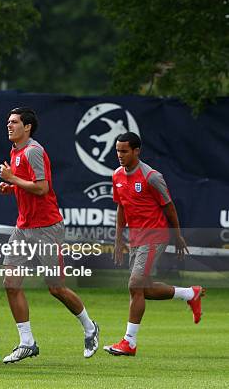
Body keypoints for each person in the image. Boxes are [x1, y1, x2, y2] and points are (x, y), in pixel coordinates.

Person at [0, 107, 100, 362]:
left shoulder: (33, 151)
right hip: (23, 228)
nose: (9, 126)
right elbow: (29, 186)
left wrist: (12, 178)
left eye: (14, 122)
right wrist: (12, 187)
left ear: (28, 127)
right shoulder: (16, 150)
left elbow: (42, 189)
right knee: (10, 283)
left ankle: (90, 327)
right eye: (8, 122)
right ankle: (27, 342)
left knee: (56, 288)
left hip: (46, 229)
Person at [103, 132, 203, 356]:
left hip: (154, 236)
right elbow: (121, 207)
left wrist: (177, 236)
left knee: (134, 285)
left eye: (124, 151)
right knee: (142, 289)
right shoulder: (117, 175)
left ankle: (129, 342)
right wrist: (119, 237)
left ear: (136, 151)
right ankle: (190, 294)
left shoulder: (151, 176)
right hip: (135, 239)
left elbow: (169, 207)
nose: (119, 155)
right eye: (117, 150)